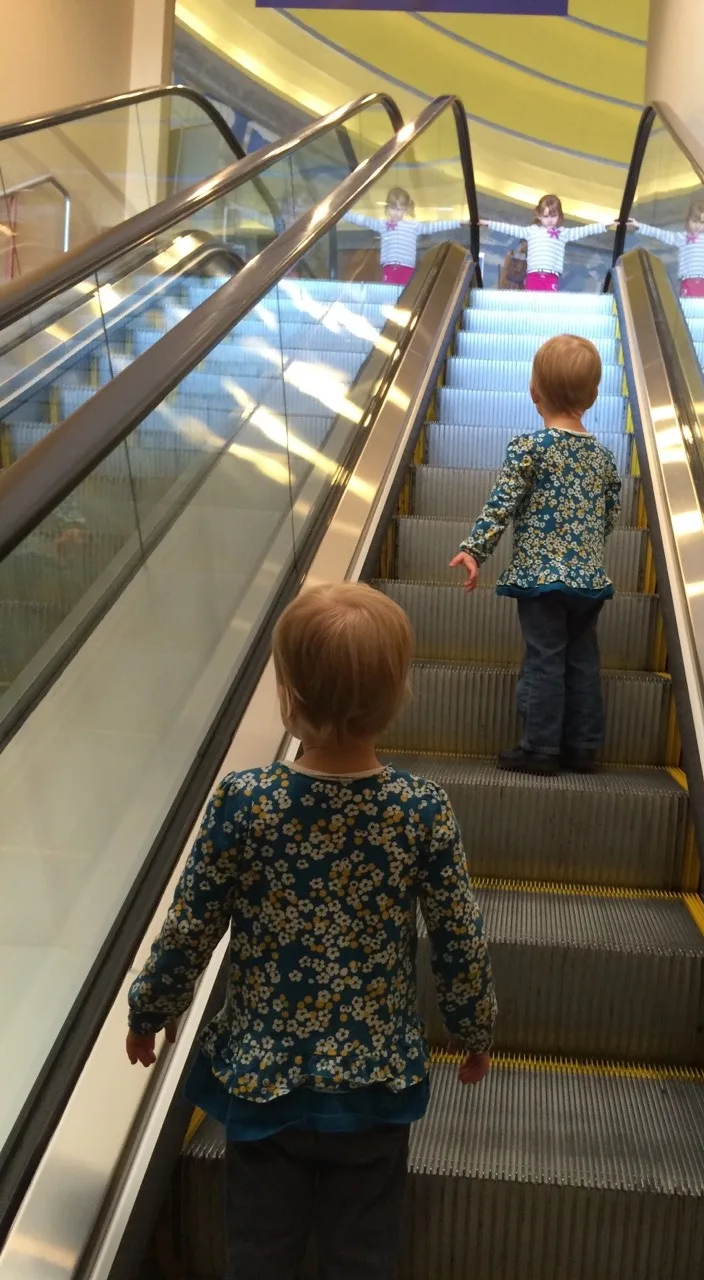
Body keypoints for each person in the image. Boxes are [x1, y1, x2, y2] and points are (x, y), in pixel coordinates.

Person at [126, 583, 496, 1280]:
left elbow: (190, 926)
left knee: (260, 1251)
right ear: (398, 696)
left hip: (264, 1082)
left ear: (287, 698)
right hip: (375, 1084)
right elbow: (458, 938)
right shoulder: (420, 811)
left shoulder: (246, 802)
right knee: (365, 1252)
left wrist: (151, 1009)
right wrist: (473, 1032)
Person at [449, 335, 621, 775]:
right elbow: (609, 514)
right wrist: (585, 553)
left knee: (545, 655)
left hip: (540, 578)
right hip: (587, 579)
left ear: (534, 393)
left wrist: (474, 550)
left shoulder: (529, 449)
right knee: (582, 657)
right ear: (595, 395)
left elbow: (502, 505)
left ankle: (541, 747)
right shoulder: (603, 458)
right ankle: (583, 746)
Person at [482, 194, 616, 293]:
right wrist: (489, 224)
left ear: (559, 216)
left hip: (551, 276)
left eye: (553, 216)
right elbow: (510, 229)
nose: (550, 220)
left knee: (548, 306)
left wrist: (605, 225)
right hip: (533, 275)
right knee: (531, 306)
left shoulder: (563, 233)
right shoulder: (531, 231)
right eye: (546, 216)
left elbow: (584, 230)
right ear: (539, 216)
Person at [342, 185, 463, 286]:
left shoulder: (413, 226)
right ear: (387, 208)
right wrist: (341, 213)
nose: (396, 212)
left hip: (407, 268)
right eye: (393, 208)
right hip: (389, 267)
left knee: (403, 296)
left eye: (400, 209)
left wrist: (459, 223)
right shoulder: (383, 224)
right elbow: (361, 220)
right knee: (389, 295)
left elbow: (435, 226)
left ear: (405, 210)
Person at [630, 198, 704, 297]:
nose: (697, 226)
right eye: (694, 221)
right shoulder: (682, 237)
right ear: (688, 220)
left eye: (702, 222)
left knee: (700, 306)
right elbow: (661, 234)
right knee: (687, 306)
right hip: (687, 280)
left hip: (703, 280)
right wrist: (639, 226)